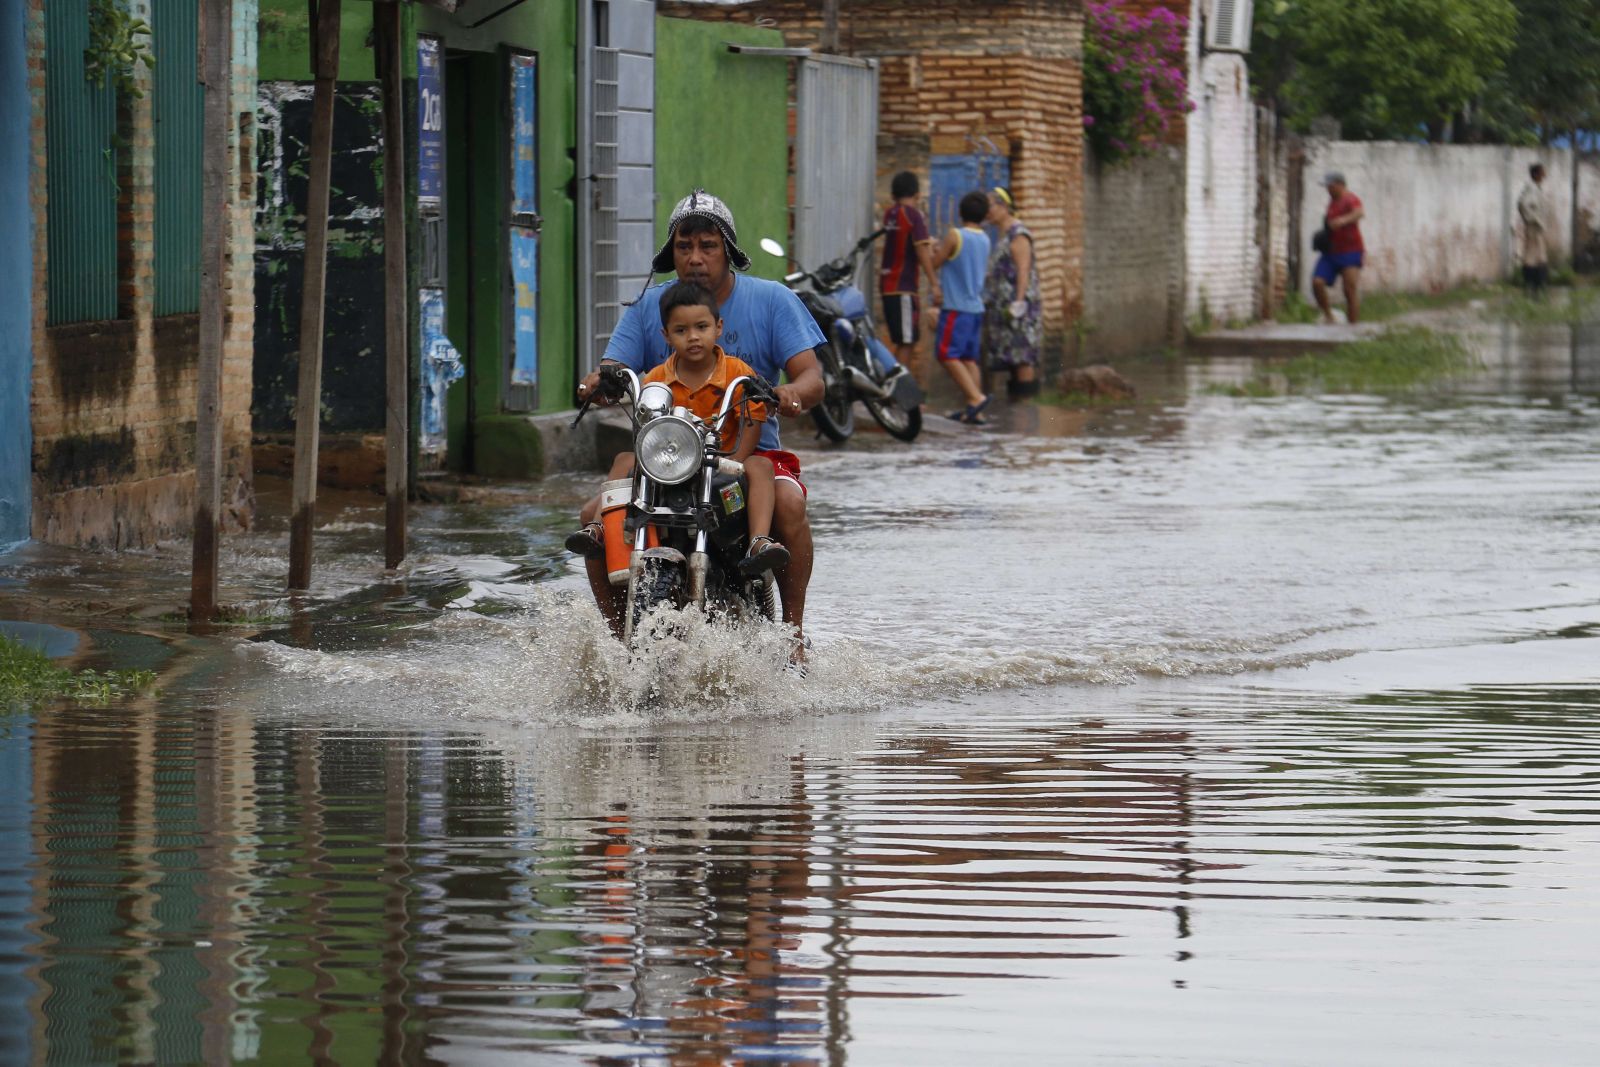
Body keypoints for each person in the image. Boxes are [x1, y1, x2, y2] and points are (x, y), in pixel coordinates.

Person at [575, 190, 825, 659]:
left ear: (728, 250)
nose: (695, 258)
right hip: (667, 461)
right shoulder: (650, 306)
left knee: (790, 504)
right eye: (684, 247)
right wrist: (599, 381)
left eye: (708, 246)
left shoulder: (773, 300)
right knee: (595, 515)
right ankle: (617, 644)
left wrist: (790, 393)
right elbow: (615, 367)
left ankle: (792, 635)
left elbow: (812, 377)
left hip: (748, 456)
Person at [567, 282, 789, 576]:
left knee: (760, 466)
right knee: (624, 459)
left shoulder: (738, 373)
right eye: (681, 330)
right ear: (666, 335)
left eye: (701, 327)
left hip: (721, 463)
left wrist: (734, 463)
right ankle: (597, 527)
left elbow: (752, 423)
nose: (693, 337)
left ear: (718, 327)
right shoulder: (656, 378)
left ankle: (758, 541)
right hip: (669, 467)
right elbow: (646, 427)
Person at [929, 191, 993, 424]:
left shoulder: (955, 235)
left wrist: (932, 248)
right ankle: (974, 410)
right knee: (969, 359)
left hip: (956, 308)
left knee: (946, 354)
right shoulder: (985, 239)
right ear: (984, 215)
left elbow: (935, 263)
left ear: (960, 212)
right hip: (976, 308)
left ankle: (975, 398)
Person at [879, 171, 940, 383]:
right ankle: (897, 388)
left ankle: (895, 385)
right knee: (907, 341)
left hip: (887, 286)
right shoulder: (913, 215)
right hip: (903, 286)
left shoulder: (890, 214)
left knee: (903, 339)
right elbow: (922, 252)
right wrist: (934, 283)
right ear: (917, 194)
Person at [981, 187, 1042, 398]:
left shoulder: (1019, 234)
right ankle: (1016, 404)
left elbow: (1023, 269)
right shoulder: (1004, 235)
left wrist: (1019, 302)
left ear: (1004, 206)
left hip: (1018, 306)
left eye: (990, 206)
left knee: (1022, 355)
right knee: (1012, 356)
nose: (986, 212)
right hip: (1004, 305)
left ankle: (1026, 403)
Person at [1313, 171, 1365, 324]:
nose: (1328, 190)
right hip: (1331, 251)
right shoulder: (1332, 202)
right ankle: (1328, 315)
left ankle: (1352, 326)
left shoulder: (1350, 199)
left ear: (1340, 185)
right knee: (1317, 282)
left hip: (1351, 251)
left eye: (1330, 186)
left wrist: (1342, 220)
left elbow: (1359, 213)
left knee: (1349, 289)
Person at [1517, 163, 1549, 297]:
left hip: (1538, 226)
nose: (1544, 175)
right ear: (1535, 174)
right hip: (1533, 226)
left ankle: (1538, 285)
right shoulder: (1530, 188)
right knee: (1532, 255)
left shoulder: (1537, 188)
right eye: (1542, 172)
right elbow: (1522, 204)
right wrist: (1533, 219)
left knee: (1539, 255)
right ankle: (1531, 285)